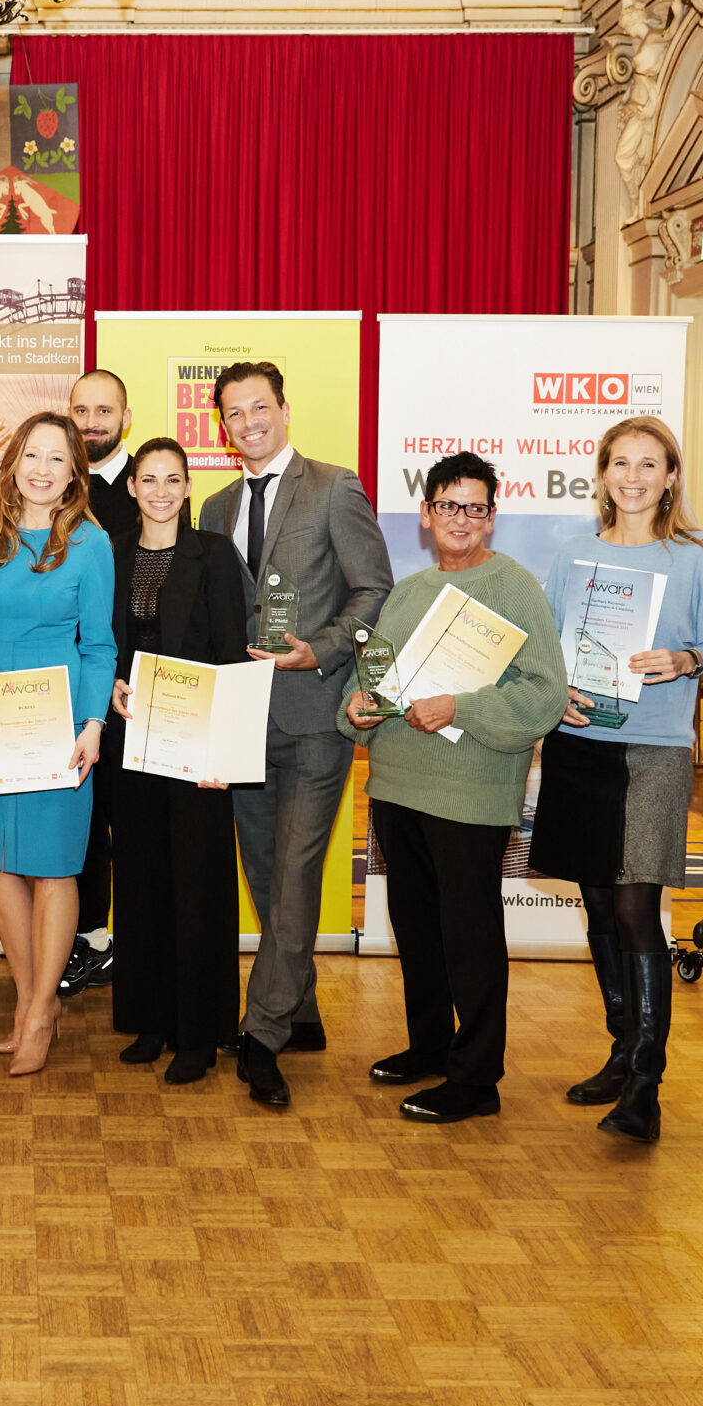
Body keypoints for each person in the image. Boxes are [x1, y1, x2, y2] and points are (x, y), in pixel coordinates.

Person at [527, 416, 703, 1144]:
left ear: (671, 475)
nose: (635, 476)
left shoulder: (699, 552)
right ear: (603, 472)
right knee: (596, 907)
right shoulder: (574, 554)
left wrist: (684, 658)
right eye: (622, 463)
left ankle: (647, 1081)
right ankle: (622, 1049)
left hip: (654, 749)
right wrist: (556, 693)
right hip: (578, 745)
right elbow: (550, 647)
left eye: (650, 464)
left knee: (634, 909)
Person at [343, 455, 567, 1124]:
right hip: (398, 784)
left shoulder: (516, 586)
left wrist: (459, 707)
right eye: (448, 505)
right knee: (415, 926)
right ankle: (431, 1044)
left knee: (468, 934)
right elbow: (376, 678)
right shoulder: (409, 593)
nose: (460, 519)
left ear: (492, 517)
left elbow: (545, 693)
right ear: (426, 514)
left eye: (474, 507)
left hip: (470, 792)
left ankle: (476, 1077)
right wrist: (356, 706)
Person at [192, 360, 391, 1108]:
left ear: (284, 408)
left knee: (299, 873)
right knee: (268, 875)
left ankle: (263, 1033)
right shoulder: (212, 506)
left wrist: (327, 648)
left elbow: (376, 588)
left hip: (313, 714)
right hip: (241, 720)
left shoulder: (334, 484)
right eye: (234, 413)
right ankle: (301, 1008)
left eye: (260, 408)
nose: (249, 423)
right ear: (221, 424)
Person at [0, 413, 116, 1077]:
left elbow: (100, 644)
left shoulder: (91, 543)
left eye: (58, 458)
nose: (43, 469)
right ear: (13, 461)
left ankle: (43, 1009)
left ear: (75, 472)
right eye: (33, 455)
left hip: (60, 711)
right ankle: (27, 1001)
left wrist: (94, 723)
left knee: (52, 867)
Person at [103, 439, 247, 1084]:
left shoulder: (213, 554)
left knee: (197, 884)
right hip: (129, 739)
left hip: (196, 745)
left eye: (173, 479)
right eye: (148, 479)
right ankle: (151, 1020)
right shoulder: (111, 553)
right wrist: (107, 683)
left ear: (188, 487)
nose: (160, 490)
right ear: (131, 487)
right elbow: (99, 639)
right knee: (140, 881)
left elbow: (231, 656)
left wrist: (222, 745)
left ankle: (198, 1032)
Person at [59, 368, 138, 998]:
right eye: (80, 410)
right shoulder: (51, 489)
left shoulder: (151, 490)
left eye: (103, 411)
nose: (91, 422)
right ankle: (85, 941)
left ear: (125, 417)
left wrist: (124, 677)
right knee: (77, 826)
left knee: (123, 823)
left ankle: (123, 949)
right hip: (58, 686)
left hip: (128, 692)